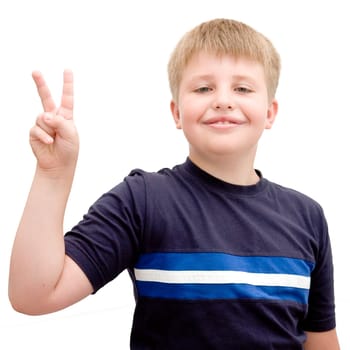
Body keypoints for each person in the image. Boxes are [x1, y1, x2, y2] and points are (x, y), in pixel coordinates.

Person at [8, 18, 340, 349]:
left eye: (242, 88)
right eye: (203, 88)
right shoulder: (143, 200)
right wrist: (54, 174)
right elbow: (34, 295)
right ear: (177, 112)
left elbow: (321, 342)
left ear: (270, 112)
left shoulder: (307, 217)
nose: (223, 100)